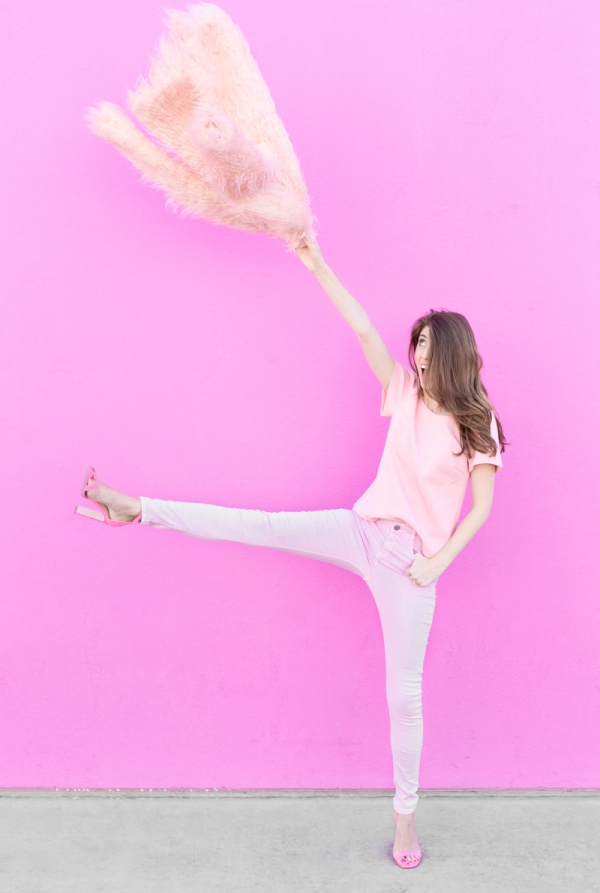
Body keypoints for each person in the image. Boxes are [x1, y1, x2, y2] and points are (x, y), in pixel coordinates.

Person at [75, 239, 506, 869]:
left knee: (403, 697)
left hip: (413, 565)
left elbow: (483, 509)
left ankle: (404, 819)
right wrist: (317, 263)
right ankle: (136, 507)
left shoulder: (479, 421)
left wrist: (437, 564)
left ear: (455, 355)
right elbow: (362, 331)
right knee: (259, 525)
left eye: (428, 346)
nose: (417, 354)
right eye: (416, 344)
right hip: (361, 529)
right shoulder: (405, 395)